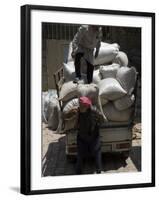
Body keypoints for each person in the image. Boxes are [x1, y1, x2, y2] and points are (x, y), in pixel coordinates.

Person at [74, 96, 104, 174]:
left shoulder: (92, 110)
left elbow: (102, 119)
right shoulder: (81, 111)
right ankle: (80, 171)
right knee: (84, 153)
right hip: (87, 136)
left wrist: (97, 125)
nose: (81, 108)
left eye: (82, 106)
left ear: (87, 106)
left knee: (93, 152)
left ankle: (97, 170)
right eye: (80, 106)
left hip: (89, 136)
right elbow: (102, 119)